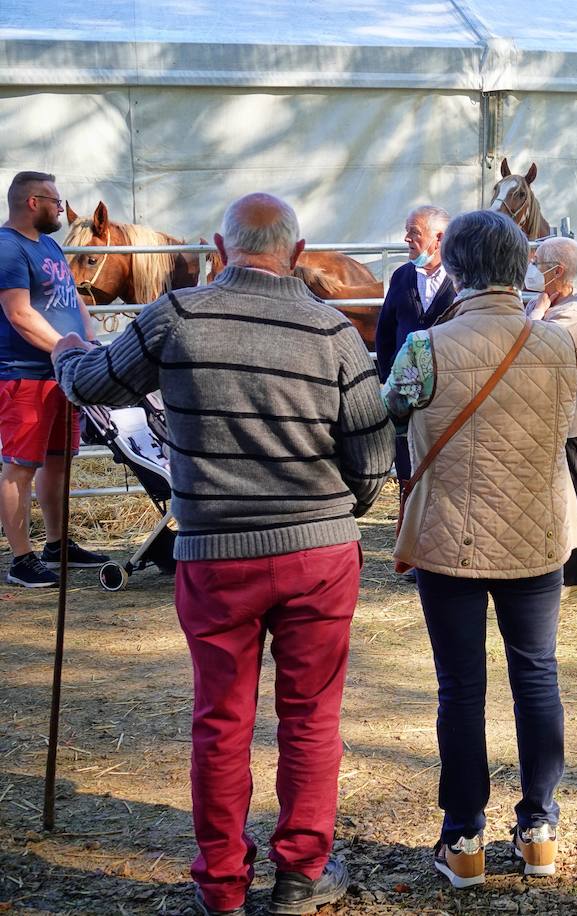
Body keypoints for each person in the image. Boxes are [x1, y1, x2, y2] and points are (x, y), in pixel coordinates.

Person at [52, 193, 393, 916]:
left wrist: (65, 345)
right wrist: (336, 510)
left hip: (214, 553)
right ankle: (302, 874)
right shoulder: (334, 331)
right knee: (311, 717)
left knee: (221, 717)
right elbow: (373, 458)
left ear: (218, 247)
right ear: (296, 255)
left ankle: (222, 884)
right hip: (319, 553)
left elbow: (86, 385)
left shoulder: (176, 316)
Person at [382, 210, 577, 889]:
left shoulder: (424, 349)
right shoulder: (559, 346)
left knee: (461, 689)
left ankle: (463, 836)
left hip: (450, 536)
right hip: (537, 533)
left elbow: (390, 412)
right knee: (537, 676)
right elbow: (568, 424)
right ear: (519, 269)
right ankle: (540, 830)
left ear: (456, 269)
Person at [0, 171, 107, 586]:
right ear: (33, 202)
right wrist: (65, 347)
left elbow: (72, 296)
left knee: (60, 461)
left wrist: (86, 341)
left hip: (62, 371)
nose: (61, 209)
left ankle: (58, 544)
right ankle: (21, 557)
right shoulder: (8, 248)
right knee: (20, 466)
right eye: (56, 202)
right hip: (23, 375)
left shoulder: (47, 244)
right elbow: (19, 314)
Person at [527, 237, 577, 600]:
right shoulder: (549, 303)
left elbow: (530, 347)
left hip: (567, 418)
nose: (532, 270)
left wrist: (536, 312)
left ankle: (574, 577)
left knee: (571, 490)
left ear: (557, 272)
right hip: (546, 415)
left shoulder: (574, 312)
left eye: (537, 264)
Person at [374, 205, 454, 481]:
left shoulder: (461, 282)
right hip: (405, 398)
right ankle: (408, 518)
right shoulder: (401, 277)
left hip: (447, 397)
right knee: (408, 473)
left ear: (439, 238)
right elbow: (384, 332)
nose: (407, 239)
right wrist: (388, 379)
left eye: (414, 232)